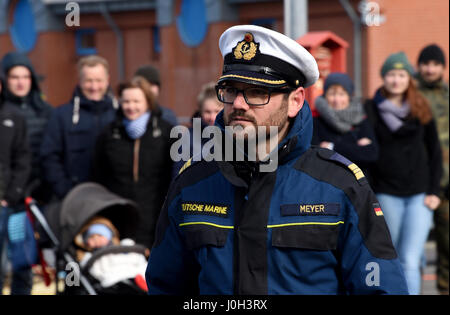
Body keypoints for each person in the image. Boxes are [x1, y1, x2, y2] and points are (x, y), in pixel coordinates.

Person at [145, 25, 408, 295]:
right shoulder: (192, 183)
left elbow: (382, 288)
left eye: (257, 92)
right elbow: (165, 285)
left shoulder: (340, 185)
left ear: (295, 101)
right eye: (231, 90)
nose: (238, 104)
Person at [365, 51, 443, 295]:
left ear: (409, 78)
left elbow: (435, 151)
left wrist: (434, 191)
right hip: (387, 193)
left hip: (420, 195)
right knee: (394, 253)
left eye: (401, 75)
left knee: (410, 257)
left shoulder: (420, 106)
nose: (396, 80)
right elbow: (367, 151)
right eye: (391, 74)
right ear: (383, 77)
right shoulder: (371, 108)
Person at [92, 76, 174, 250]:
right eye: (126, 101)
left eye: (136, 101)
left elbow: (172, 175)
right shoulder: (109, 133)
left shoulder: (166, 132)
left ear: (148, 103)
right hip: (118, 216)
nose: (131, 106)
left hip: (155, 215)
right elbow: (98, 174)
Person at [40, 55, 118, 200]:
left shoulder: (120, 114)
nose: (94, 87)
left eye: (98, 81)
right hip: (75, 198)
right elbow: (50, 157)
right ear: (80, 81)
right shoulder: (61, 116)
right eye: (89, 81)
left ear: (107, 80)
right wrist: (66, 191)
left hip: (114, 197)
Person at [416, 44, 449, 295]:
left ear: (442, 67)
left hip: (447, 182)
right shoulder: (410, 93)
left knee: (447, 243)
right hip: (419, 182)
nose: (430, 69)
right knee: (413, 247)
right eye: (426, 64)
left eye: (435, 64)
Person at [1, 52, 53, 203]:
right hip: (10, 192)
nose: (21, 83)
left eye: (25, 77)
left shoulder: (45, 110)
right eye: (14, 77)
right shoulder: (4, 113)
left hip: (42, 188)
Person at [0, 72, 32, 295]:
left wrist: (9, 196)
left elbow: (23, 159)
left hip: (10, 204)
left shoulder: (13, 117)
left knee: (20, 264)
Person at [312, 72, 378, 175]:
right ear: (325, 95)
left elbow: (371, 154)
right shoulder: (315, 120)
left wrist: (331, 147)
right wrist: (355, 148)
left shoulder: (360, 119)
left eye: (342, 94)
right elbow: (316, 154)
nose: (337, 100)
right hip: (326, 181)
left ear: (349, 96)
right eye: (332, 94)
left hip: (357, 184)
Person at [172, 81, 224, 176]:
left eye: (217, 111)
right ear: (200, 112)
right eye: (207, 112)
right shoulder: (189, 138)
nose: (212, 117)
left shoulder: (233, 135)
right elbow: (178, 173)